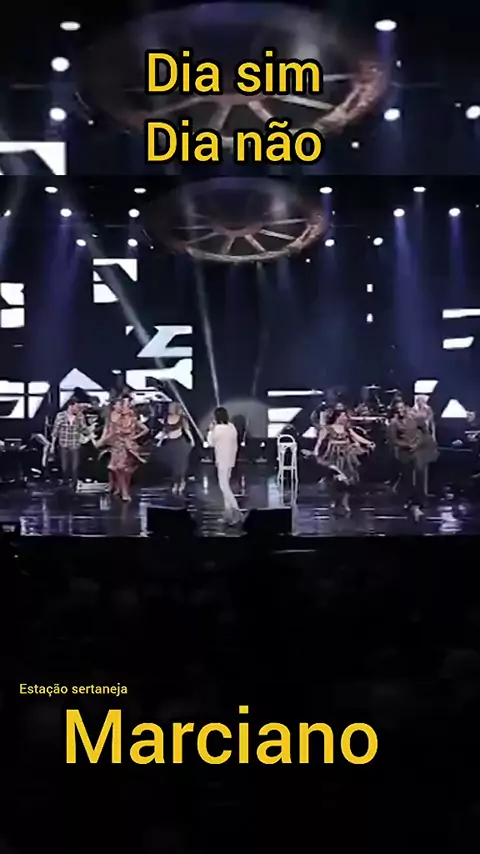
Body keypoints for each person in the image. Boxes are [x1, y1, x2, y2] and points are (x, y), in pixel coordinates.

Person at [313, 409, 374, 514]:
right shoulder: (328, 428)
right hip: (334, 455)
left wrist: (368, 442)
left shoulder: (346, 428)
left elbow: (356, 437)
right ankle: (334, 499)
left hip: (346, 455)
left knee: (348, 479)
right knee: (335, 480)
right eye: (343, 416)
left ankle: (345, 502)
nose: (345, 418)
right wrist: (316, 451)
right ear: (338, 417)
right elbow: (320, 441)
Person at [387, 400, 437, 521]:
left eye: (401, 408)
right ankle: (408, 500)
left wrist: (418, 444)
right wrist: (406, 445)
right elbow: (393, 440)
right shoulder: (394, 423)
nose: (400, 410)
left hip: (418, 450)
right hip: (404, 452)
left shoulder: (416, 418)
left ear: (405, 408)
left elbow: (425, 432)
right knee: (408, 477)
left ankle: (420, 501)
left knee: (420, 474)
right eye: (397, 409)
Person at [95, 395, 149, 501]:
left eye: (126, 405)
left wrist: (135, 437)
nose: (123, 408)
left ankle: (124, 490)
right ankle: (123, 491)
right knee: (119, 469)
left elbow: (145, 429)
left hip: (130, 447)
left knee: (126, 471)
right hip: (118, 446)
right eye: (123, 405)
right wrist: (102, 441)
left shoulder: (133, 419)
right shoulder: (116, 420)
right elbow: (110, 432)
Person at [207, 407, 242, 524]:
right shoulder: (232, 427)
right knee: (226, 485)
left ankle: (236, 511)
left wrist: (210, 430)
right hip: (230, 460)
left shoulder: (217, 429)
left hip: (222, 460)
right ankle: (228, 515)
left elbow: (210, 443)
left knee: (224, 487)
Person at [50, 398, 92, 490]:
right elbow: (55, 431)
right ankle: (66, 484)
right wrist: (52, 445)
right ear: (70, 406)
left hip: (75, 445)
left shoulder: (80, 416)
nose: (78, 409)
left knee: (75, 467)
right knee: (64, 467)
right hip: (64, 444)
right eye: (76, 407)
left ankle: (74, 486)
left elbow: (84, 430)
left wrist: (86, 426)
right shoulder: (60, 416)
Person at [155, 402, 195, 495]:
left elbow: (186, 429)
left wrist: (192, 440)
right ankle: (175, 483)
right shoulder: (167, 418)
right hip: (171, 443)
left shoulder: (181, 418)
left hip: (180, 443)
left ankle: (182, 482)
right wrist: (160, 441)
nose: (170, 409)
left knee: (180, 465)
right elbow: (164, 431)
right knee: (173, 465)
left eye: (172, 407)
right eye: (169, 407)